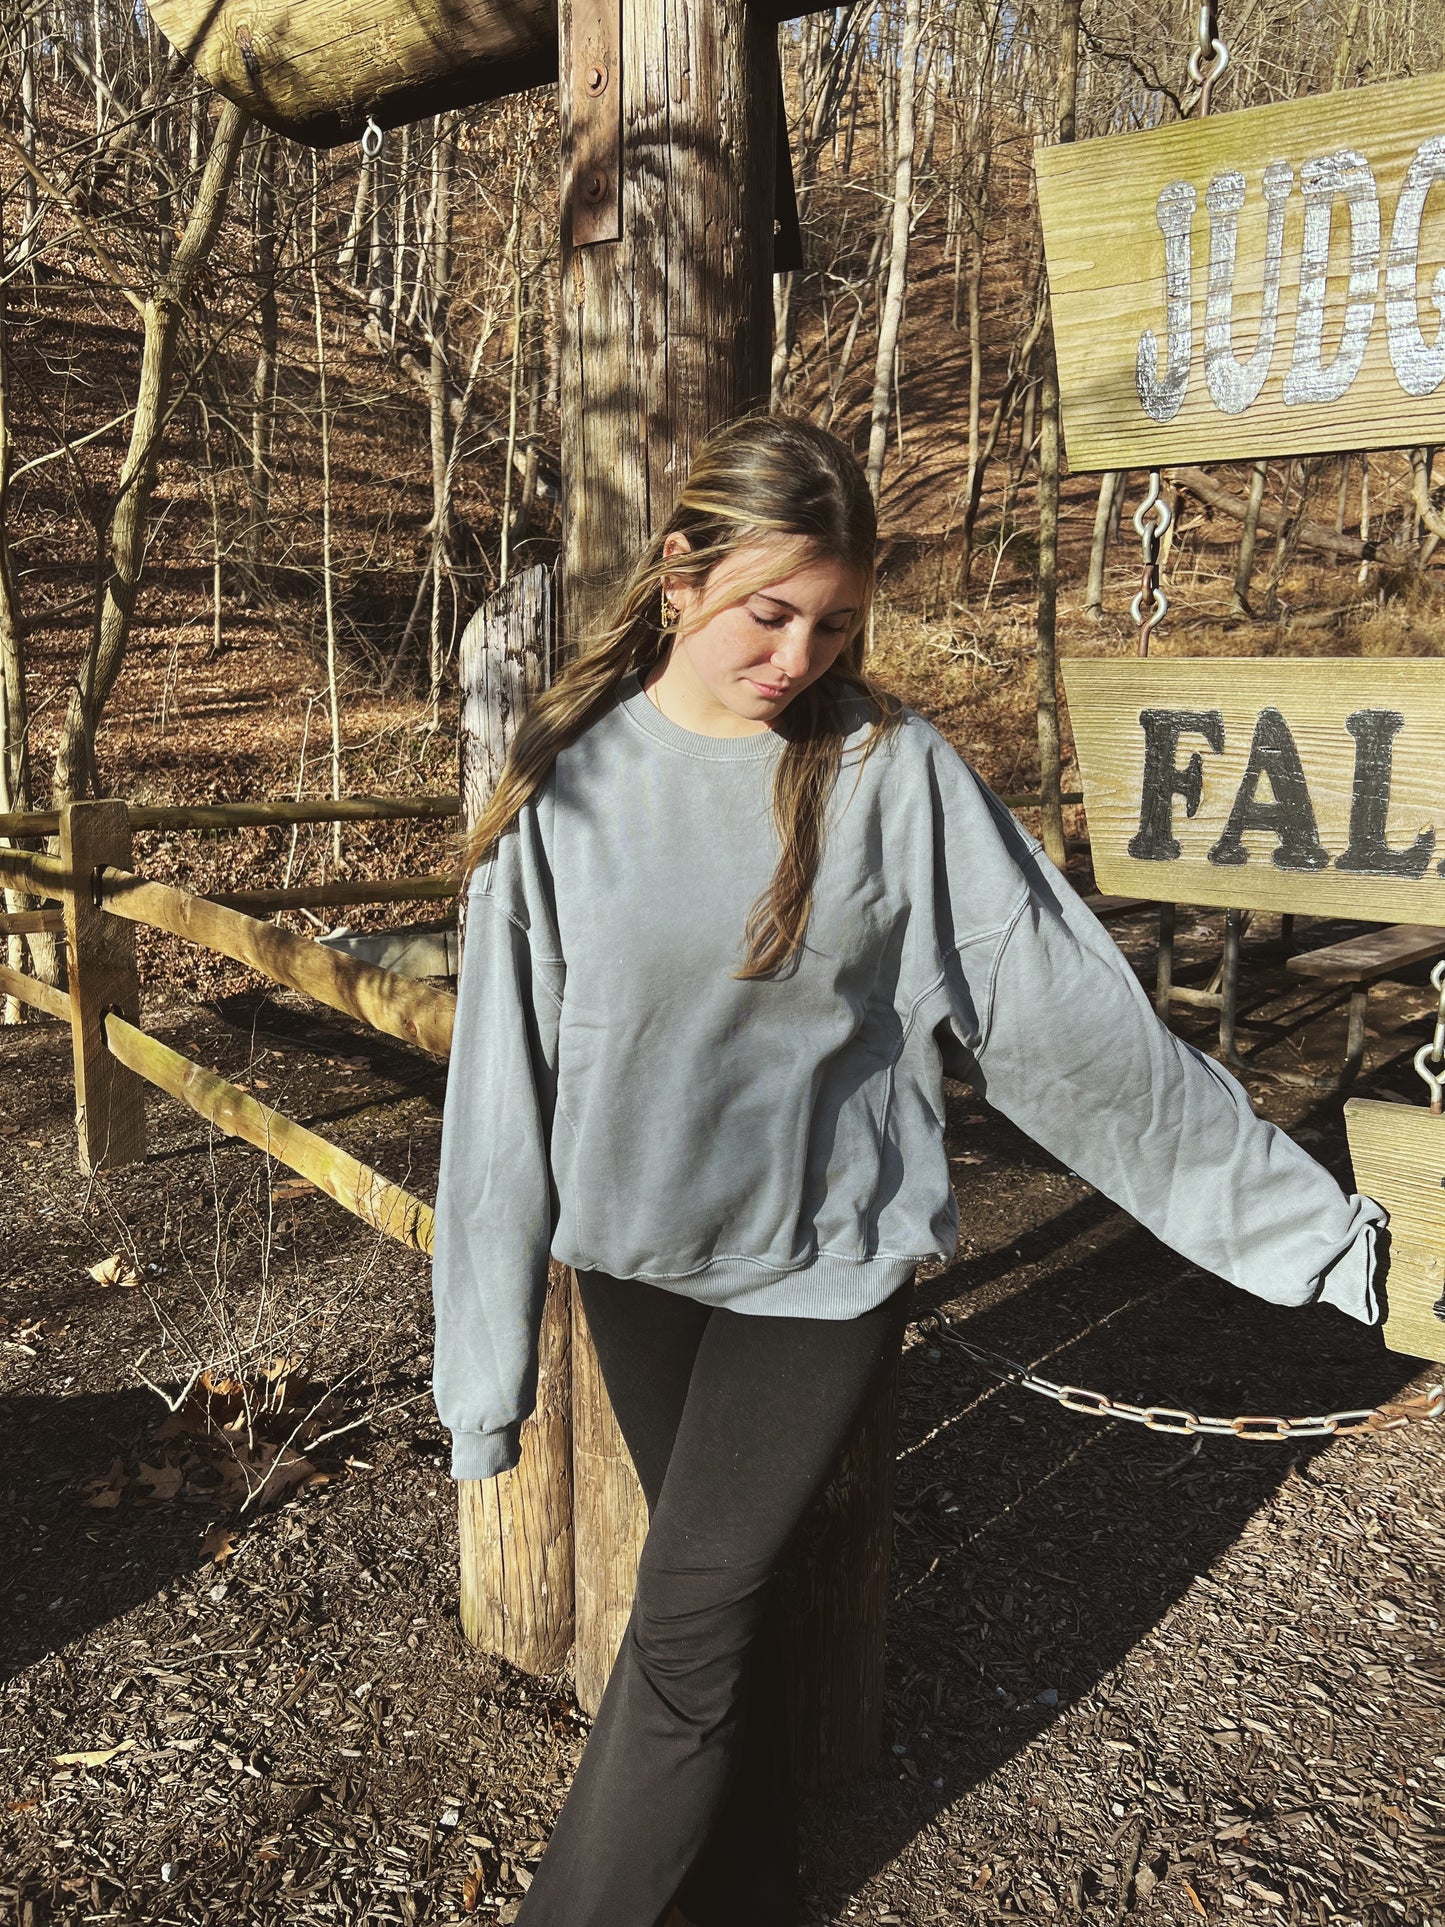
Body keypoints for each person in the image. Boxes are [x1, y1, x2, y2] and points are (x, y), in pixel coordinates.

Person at [430, 414, 1385, 1927]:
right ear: (679, 577)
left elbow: (1077, 1037)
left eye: (834, 624)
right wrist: (483, 1384)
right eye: (769, 613)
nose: (798, 656)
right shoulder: (572, 789)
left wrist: (1315, 1241)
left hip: (818, 1279)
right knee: (719, 1629)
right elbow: (499, 1105)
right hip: (636, 1272)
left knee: (678, 1641)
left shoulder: (892, 776)